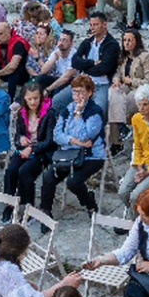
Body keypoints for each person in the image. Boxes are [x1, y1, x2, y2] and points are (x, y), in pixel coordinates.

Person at [39, 75, 107, 215]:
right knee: (48, 177)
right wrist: (75, 141)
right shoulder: (68, 109)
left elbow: (85, 135)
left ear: (89, 92)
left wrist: (78, 115)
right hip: (69, 153)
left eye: (81, 92)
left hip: (91, 156)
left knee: (73, 182)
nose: (77, 95)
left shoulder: (95, 112)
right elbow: (57, 135)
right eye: (75, 91)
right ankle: (45, 211)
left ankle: (89, 203)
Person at [108, 27, 149, 147]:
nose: (126, 43)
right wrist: (116, 79)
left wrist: (131, 81)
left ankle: (118, 136)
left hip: (143, 90)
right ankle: (119, 131)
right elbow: (118, 72)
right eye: (125, 40)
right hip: (127, 86)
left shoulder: (145, 57)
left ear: (136, 41)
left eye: (130, 40)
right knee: (113, 93)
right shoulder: (124, 57)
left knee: (125, 101)